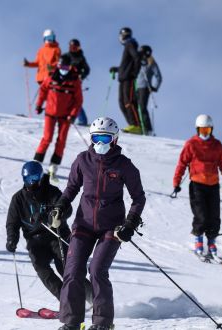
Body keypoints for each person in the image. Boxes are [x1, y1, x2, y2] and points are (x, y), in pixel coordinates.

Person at [53, 117, 146, 330]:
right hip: (83, 225)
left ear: (114, 139)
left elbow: (138, 197)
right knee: (73, 270)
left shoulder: (124, 165)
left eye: (105, 137)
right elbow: (71, 189)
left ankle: (103, 324)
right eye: (96, 137)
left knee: (97, 270)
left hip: (111, 228)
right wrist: (59, 207)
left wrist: (130, 224)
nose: (100, 142)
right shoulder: (82, 160)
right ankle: (71, 322)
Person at [6, 161, 92, 301]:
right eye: (28, 179)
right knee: (41, 268)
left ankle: (93, 298)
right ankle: (66, 301)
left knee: (66, 269)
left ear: (40, 177)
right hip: (35, 240)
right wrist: (12, 239)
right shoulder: (18, 199)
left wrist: (50, 215)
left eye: (35, 178)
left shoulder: (52, 192)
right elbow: (12, 223)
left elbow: (66, 209)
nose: (32, 182)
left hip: (56, 235)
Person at [172, 114, 222, 260]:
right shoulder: (191, 144)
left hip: (213, 185)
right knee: (201, 215)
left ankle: (211, 243)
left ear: (211, 130)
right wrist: (176, 183)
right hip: (197, 185)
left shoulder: (216, 145)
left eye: (207, 130)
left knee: (214, 216)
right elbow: (182, 163)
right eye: (202, 130)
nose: (204, 133)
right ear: (197, 129)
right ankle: (198, 241)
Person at [33, 54, 83, 180]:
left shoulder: (74, 80)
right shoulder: (51, 76)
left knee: (61, 141)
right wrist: (39, 105)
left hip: (65, 116)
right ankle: (37, 162)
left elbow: (78, 100)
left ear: (70, 67)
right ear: (58, 65)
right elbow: (43, 90)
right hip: (50, 113)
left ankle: (53, 166)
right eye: (61, 66)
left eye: (66, 67)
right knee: (47, 138)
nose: (63, 69)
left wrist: (73, 115)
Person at [109, 27, 142, 135]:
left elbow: (137, 58)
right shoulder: (128, 45)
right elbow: (127, 65)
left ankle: (136, 125)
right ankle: (132, 125)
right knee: (122, 102)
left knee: (129, 101)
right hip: (123, 78)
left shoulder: (130, 44)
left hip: (128, 78)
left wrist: (134, 73)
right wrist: (117, 69)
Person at [135, 45, 162, 135]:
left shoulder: (151, 62)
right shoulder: (138, 61)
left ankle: (148, 128)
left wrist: (155, 87)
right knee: (135, 107)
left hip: (145, 88)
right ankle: (138, 126)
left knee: (142, 107)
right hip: (136, 87)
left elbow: (158, 76)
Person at [65, 39, 91, 126]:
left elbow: (87, 69)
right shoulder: (66, 56)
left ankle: (82, 120)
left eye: (75, 47)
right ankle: (66, 117)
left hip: (76, 81)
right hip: (66, 81)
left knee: (75, 100)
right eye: (72, 47)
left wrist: (81, 76)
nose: (73, 49)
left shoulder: (81, 57)